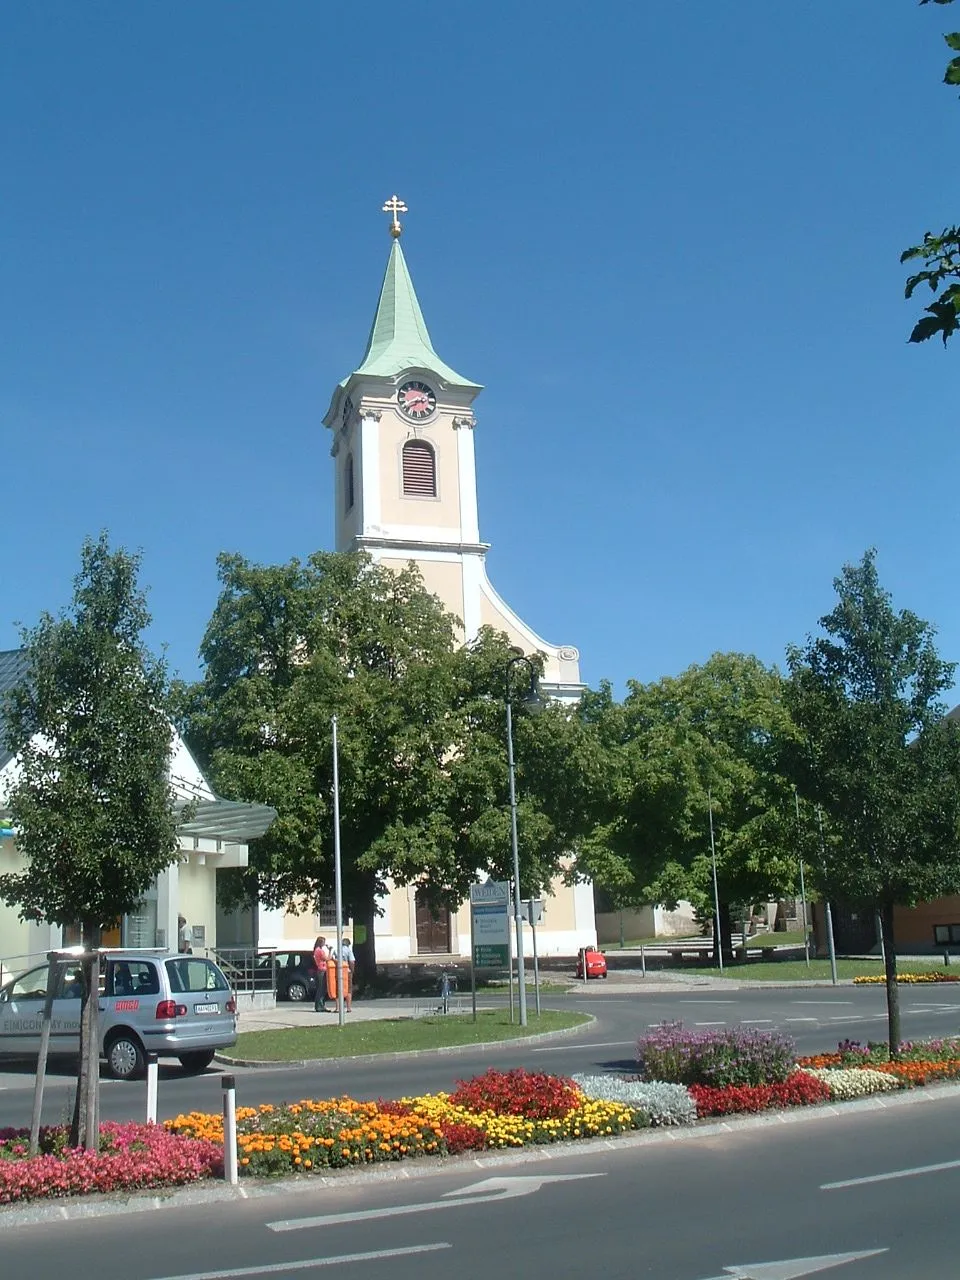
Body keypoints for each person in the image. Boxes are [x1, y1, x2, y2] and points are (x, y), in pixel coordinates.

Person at [328, 936, 354, 1012]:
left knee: (338, 989)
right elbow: (352, 961)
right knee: (348, 989)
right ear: (348, 944)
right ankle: (348, 1008)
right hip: (347, 971)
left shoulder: (336, 950)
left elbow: (332, 959)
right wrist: (352, 970)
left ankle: (338, 1008)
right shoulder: (348, 951)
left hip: (337, 971)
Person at [312, 936, 329, 1012]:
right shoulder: (320, 951)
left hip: (319, 970)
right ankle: (320, 1006)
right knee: (321, 989)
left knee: (320, 989)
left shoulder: (316, 950)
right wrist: (330, 950)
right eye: (324, 942)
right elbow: (327, 958)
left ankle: (320, 1006)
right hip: (322, 970)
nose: (325, 943)